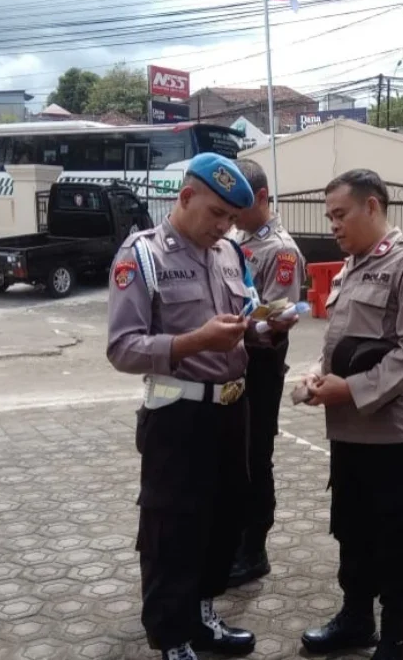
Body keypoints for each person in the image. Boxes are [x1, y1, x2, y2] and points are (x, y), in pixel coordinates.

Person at [107, 152, 293, 660]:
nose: (225, 226)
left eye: (233, 218)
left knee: (224, 517)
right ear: (186, 197)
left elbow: (241, 327)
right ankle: (171, 636)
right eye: (216, 214)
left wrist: (265, 330)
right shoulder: (142, 256)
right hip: (178, 414)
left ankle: (204, 615)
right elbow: (123, 348)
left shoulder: (230, 254)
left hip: (233, 410)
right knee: (173, 527)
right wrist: (196, 342)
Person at [297, 169, 403, 660]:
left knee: (396, 539)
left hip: (391, 436)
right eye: (329, 216)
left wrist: (352, 390)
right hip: (348, 432)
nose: (333, 225)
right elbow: (335, 342)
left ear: (373, 207)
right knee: (352, 530)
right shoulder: (351, 265)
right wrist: (317, 375)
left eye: (341, 214)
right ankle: (356, 618)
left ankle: (396, 636)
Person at [225, 159, 306, 588]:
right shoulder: (237, 238)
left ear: (260, 197)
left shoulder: (281, 250)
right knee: (235, 457)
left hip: (260, 367)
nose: (231, 213)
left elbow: (275, 317)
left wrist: (234, 325)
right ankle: (236, 538)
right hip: (231, 366)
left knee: (256, 457)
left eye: (238, 204)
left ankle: (255, 548)